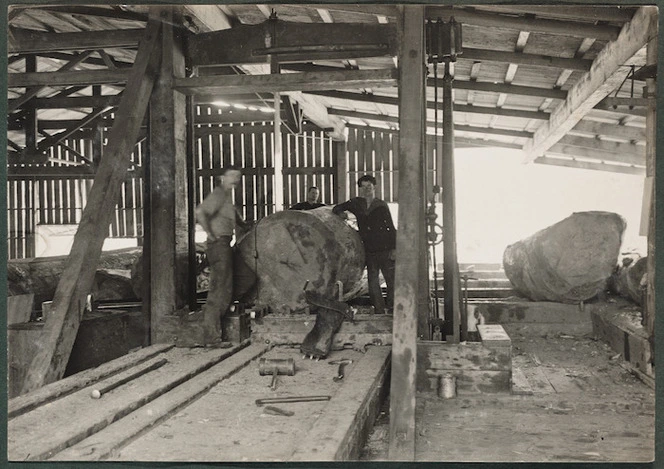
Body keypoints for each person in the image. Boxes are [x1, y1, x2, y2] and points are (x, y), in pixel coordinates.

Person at [195, 165, 250, 342]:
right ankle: (211, 336)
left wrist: (247, 224)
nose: (235, 179)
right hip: (218, 244)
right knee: (219, 288)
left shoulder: (226, 198)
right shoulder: (218, 194)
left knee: (233, 282)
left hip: (226, 243)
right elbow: (200, 212)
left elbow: (237, 220)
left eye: (237, 177)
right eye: (232, 176)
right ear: (223, 178)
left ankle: (217, 326)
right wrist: (210, 234)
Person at [333, 174, 396, 314]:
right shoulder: (356, 203)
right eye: (364, 187)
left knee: (391, 280)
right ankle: (379, 310)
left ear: (375, 187)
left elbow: (390, 227)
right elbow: (337, 208)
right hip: (369, 249)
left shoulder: (381, 205)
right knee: (373, 282)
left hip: (385, 248)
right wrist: (344, 215)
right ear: (360, 189)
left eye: (369, 186)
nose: (367, 189)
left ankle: (392, 309)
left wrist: (394, 248)